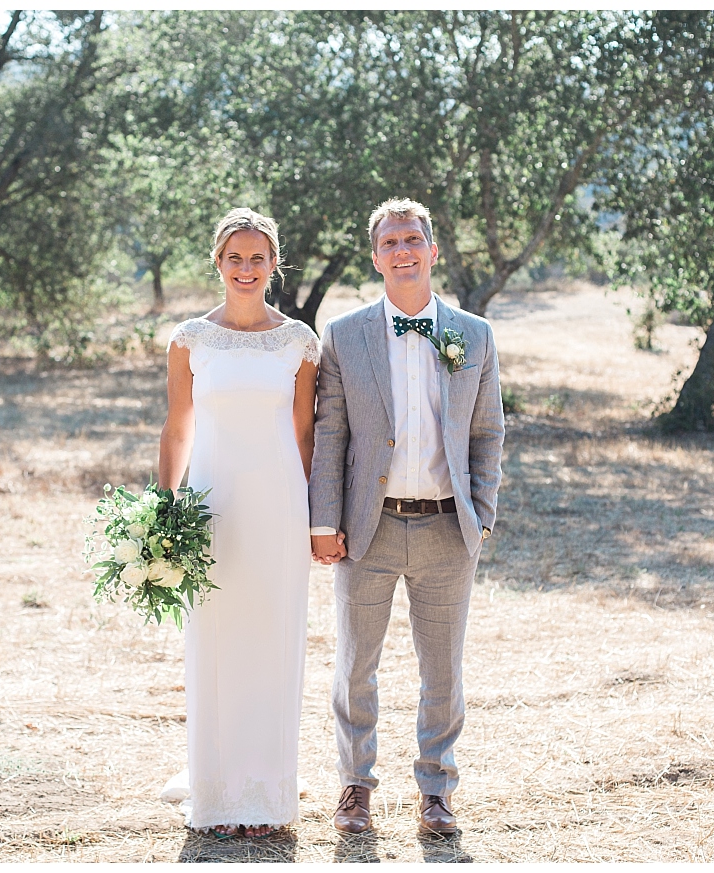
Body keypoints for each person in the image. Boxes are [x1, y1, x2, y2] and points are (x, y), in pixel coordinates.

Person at [309, 197, 505, 836]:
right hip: (369, 529)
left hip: (450, 529)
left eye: (412, 239)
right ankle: (355, 788)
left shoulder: (474, 335)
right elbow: (331, 433)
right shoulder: (344, 335)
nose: (403, 251)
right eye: (390, 242)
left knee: (443, 669)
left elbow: (487, 433)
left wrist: (483, 513)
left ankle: (437, 792)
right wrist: (325, 520)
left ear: (432, 250)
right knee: (355, 666)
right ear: (375, 257)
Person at [157, 208, 320, 838]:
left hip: (279, 503)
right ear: (218, 263)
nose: (246, 269)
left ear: (274, 264)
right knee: (218, 643)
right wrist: (164, 509)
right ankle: (220, 800)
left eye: (258, 258)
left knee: (274, 642)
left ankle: (269, 803)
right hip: (211, 502)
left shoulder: (299, 342)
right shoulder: (190, 340)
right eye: (235, 258)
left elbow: (305, 432)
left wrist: (315, 519)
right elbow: (177, 428)